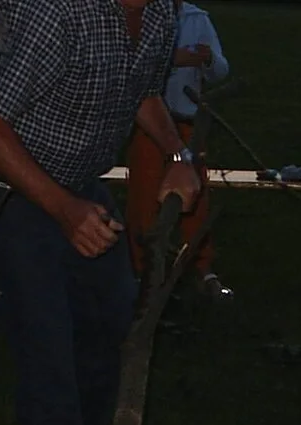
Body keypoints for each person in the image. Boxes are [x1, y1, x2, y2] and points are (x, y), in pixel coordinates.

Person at [0, 0, 200, 425]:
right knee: (48, 352)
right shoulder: (56, 12)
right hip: (9, 194)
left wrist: (178, 153)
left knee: (113, 325)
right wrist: (64, 211)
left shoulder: (161, 14)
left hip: (79, 187)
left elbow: (141, 94)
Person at [125, 0, 230, 300]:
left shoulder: (197, 19)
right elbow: (132, 64)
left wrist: (208, 59)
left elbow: (221, 71)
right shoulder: (137, 12)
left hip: (187, 124)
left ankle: (201, 267)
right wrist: (174, 60)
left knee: (194, 197)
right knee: (144, 198)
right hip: (148, 125)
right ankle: (141, 271)